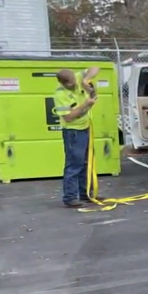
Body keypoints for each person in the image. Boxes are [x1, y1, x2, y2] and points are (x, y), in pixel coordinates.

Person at [52, 67, 99, 208]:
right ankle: (70, 197)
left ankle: (86, 195)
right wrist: (86, 104)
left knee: (86, 163)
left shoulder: (77, 78)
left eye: (75, 79)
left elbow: (95, 68)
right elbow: (68, 117)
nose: (76, 83)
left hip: (85, 127)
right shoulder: (60, 95)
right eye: (72, 82)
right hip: (73, 132)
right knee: (74, 165)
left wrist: (86, 80)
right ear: (64, 83)